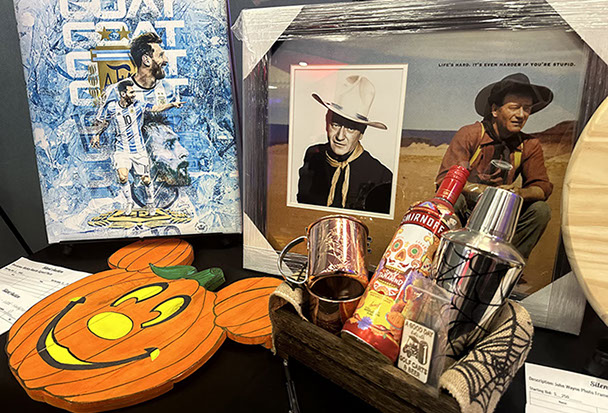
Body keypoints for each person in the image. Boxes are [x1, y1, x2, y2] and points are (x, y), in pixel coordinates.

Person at [435, 73, 554, 259]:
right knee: (453, 200)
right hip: (466, 211)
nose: (521, 115)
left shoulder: (529, 145)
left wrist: (518, 193)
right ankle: (441, 256)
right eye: (514, 107)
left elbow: (542, 187)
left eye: (527, 109)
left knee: (540, 211)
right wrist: (486, 192)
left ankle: (501, 265)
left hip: (501, 217)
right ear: (495, 110)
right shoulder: (470, 135)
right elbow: (445, 181)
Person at [297, 75, 393, 213]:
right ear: (326, 124)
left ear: (361, 133)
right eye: (335, 125)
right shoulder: (313, 157)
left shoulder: (380, 175)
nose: (340, 136)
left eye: (350, 128)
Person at [91, 79, 183, 216]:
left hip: (139, 150)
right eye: (131, 92)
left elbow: (156, 108)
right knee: (123, 177)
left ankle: (150, 202)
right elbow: (106, 122)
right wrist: (97, 134)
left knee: (146, 179)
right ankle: (129, 202)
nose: (134, 94)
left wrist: (171, 105)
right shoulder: (112, 107)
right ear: (123, 94)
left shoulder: (139, 105)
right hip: (121, 149)